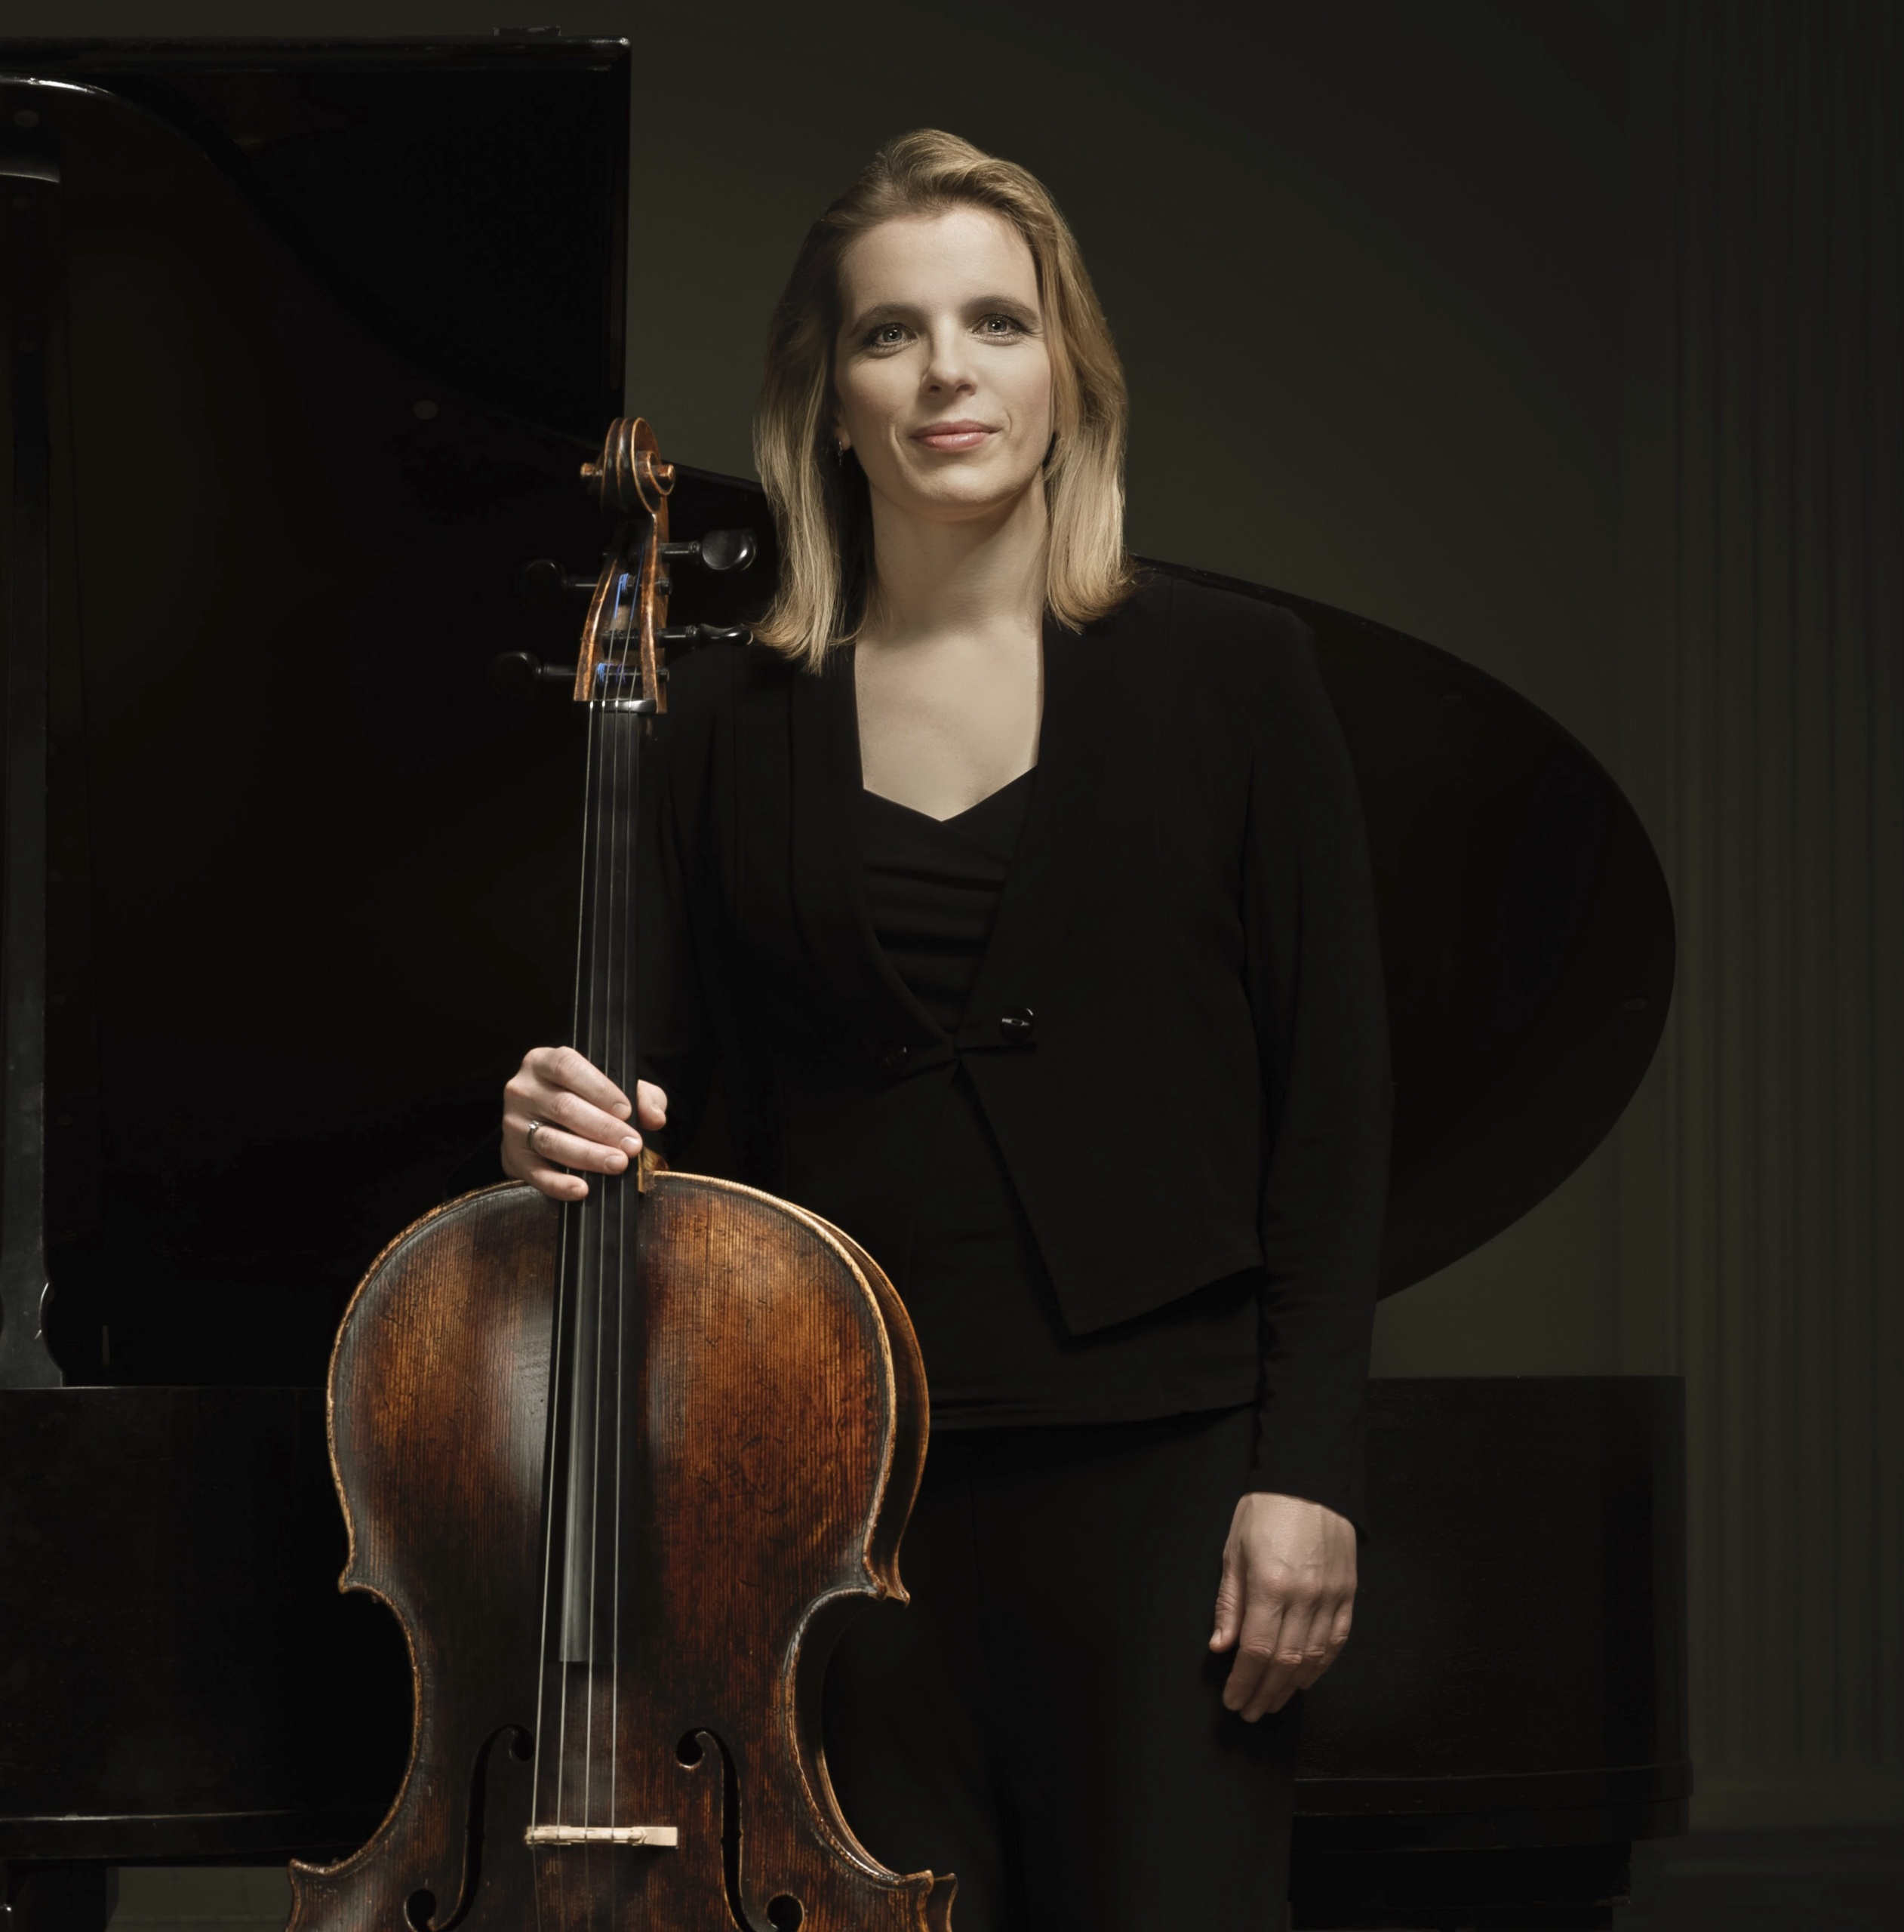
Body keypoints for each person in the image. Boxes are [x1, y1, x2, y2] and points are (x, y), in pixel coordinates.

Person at [500, 129, 1390, 1932]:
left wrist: (1306, 1471)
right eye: (889, 334)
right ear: (827, 396)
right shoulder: (721, 717)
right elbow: (661, 1106)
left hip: (1163, 1469)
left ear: (1067, 374)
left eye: (996, 320)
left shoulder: (1234, 675)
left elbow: (1334, 1103)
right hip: (828, 1483)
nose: (947, 371)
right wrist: (557, 1118)